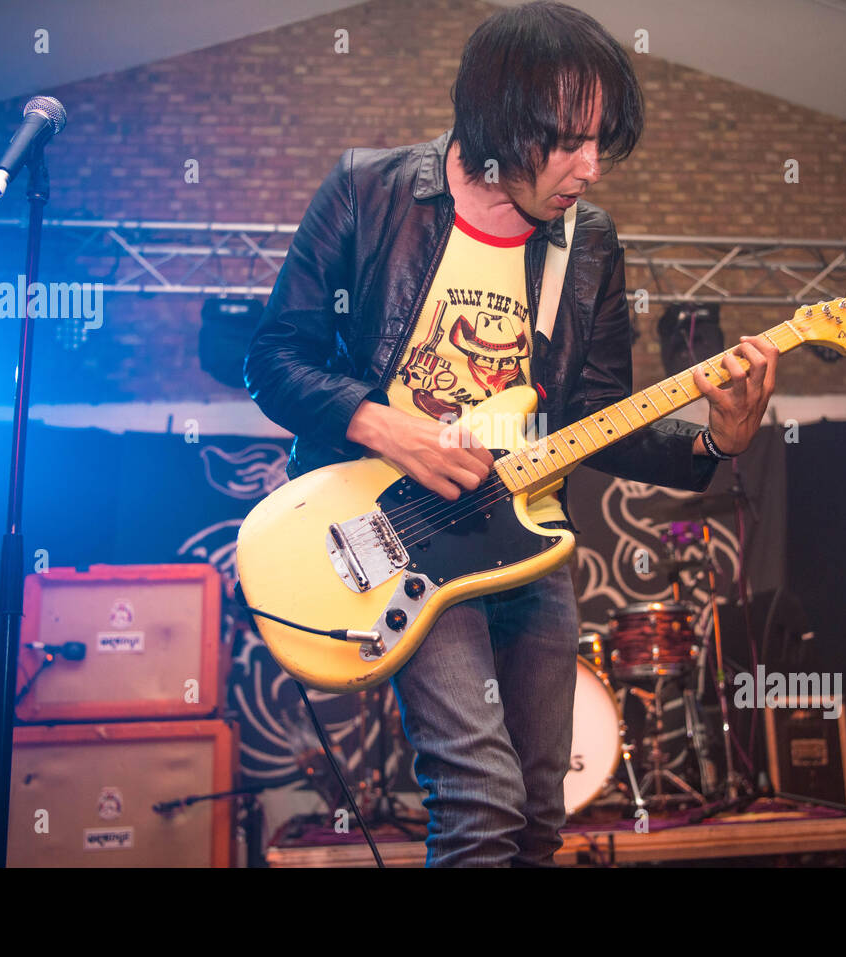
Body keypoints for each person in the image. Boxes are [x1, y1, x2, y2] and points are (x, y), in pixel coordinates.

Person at [244, 1, 777, 866]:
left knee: (538, 812)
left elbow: (599, 420)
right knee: (481, 799)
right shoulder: (368, 191)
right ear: (497, 120)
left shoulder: (591, 245)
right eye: (569, 141)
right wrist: (390, 429)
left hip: (526, 539)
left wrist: (716, 441)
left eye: (602, 142)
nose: (590, 168)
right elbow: (273, 359)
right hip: (399, 528)